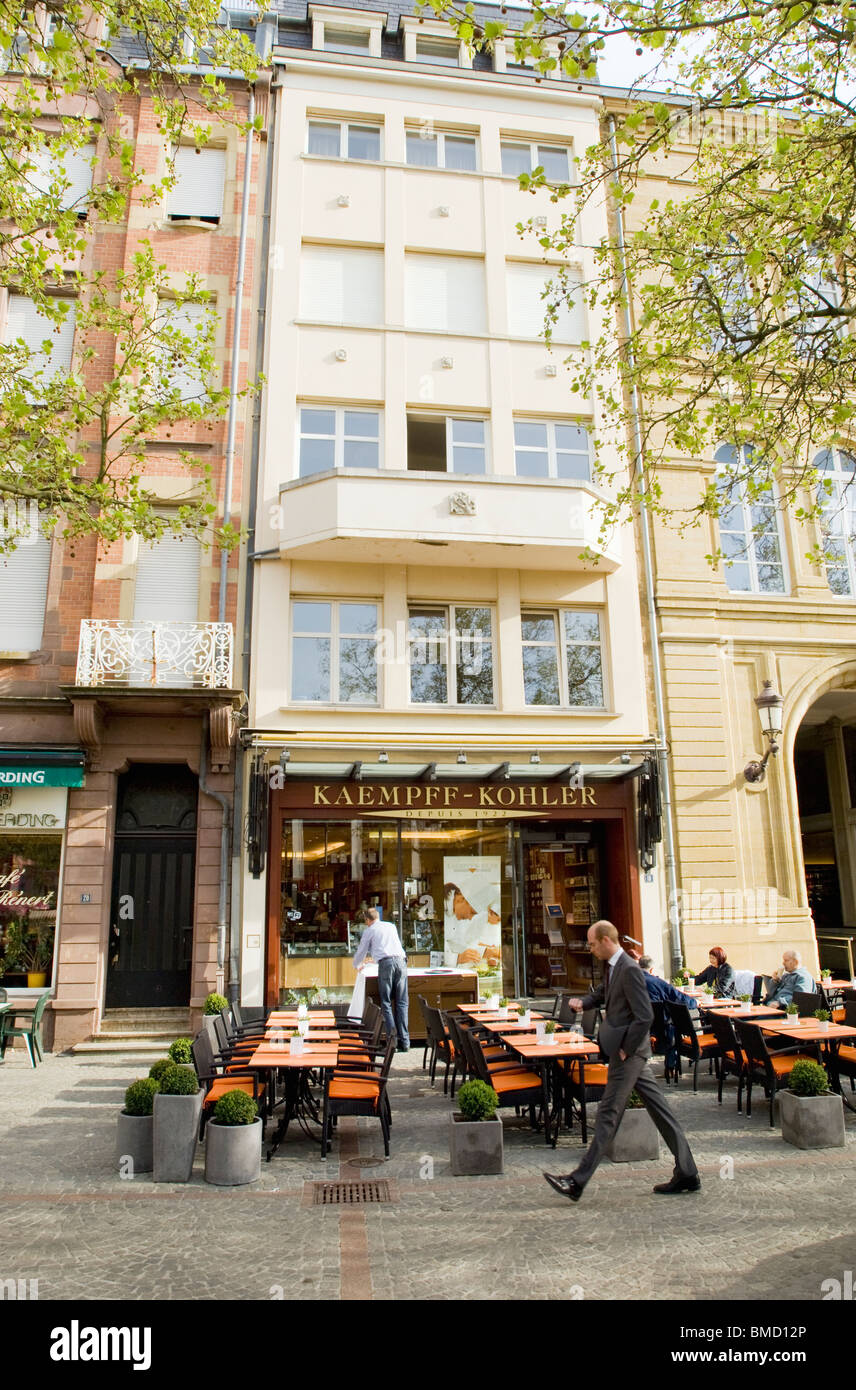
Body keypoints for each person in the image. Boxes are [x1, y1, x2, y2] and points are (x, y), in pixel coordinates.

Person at [543, 920, 700, 1203]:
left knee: (607, 1114)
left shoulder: (629, 969)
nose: (589, 949)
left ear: (605, 940)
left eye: (591, 944)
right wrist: (584, 1003)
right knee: (660, 1111)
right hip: (632, 1054)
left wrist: (627, 1048)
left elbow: (645, 1016)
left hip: (628, 1054)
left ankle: (577, 1181)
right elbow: (606, 993)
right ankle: (688, 1172)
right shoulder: (615, 966)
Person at [352, 906, 410, 1052]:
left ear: (367, 919)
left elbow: (362, 950)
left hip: (386, 964)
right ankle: (405, 1042)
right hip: (401, 962)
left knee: (386, 1003)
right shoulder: (390, 926)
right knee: (402, 1002)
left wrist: (357, 965)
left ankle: (393, 1043)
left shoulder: (369, 930)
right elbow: (390, 946)